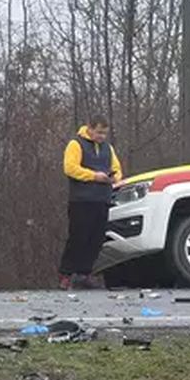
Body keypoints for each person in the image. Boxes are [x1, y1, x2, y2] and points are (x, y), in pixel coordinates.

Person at [58, 115, 122, 290]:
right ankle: (66, 274)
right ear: (90, 128)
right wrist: (94, 176)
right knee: (78, 237)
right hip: (81, 200)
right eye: (99, 132)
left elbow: (116, 168)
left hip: (102, 199)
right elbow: (70, 168)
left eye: (104, 133)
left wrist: (114, 178)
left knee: (96, 238)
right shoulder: (76, 144)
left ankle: (84, 274)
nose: (102, 136)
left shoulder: (107, 148)